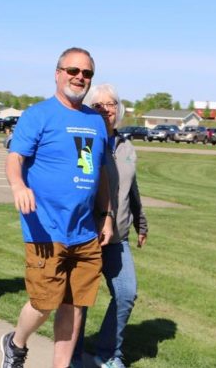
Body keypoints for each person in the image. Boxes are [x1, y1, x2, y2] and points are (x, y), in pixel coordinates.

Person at [0, 47, 113, 368]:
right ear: (58, 73)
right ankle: (15, 343)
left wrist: (106, 215)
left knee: (74, 305)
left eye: (86, 73)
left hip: (85, 232)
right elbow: (15, 158)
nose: (79, 77)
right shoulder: (38, 115)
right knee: (44, 303)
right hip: (46, 230)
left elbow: (101, 172)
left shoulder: (95, 121)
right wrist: (18, 186)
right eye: (73, 71)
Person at [71, 84, 149, 368]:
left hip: (118, 237)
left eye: (111, 104)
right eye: (99, 105)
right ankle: (73, 355)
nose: (106, 109)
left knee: (126, 293)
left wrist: (140, 222)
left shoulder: (127, 147)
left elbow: (132, 188)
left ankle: (107, 353)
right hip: (87, 234)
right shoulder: (85, 141)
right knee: (80, 298)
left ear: (119, 110)